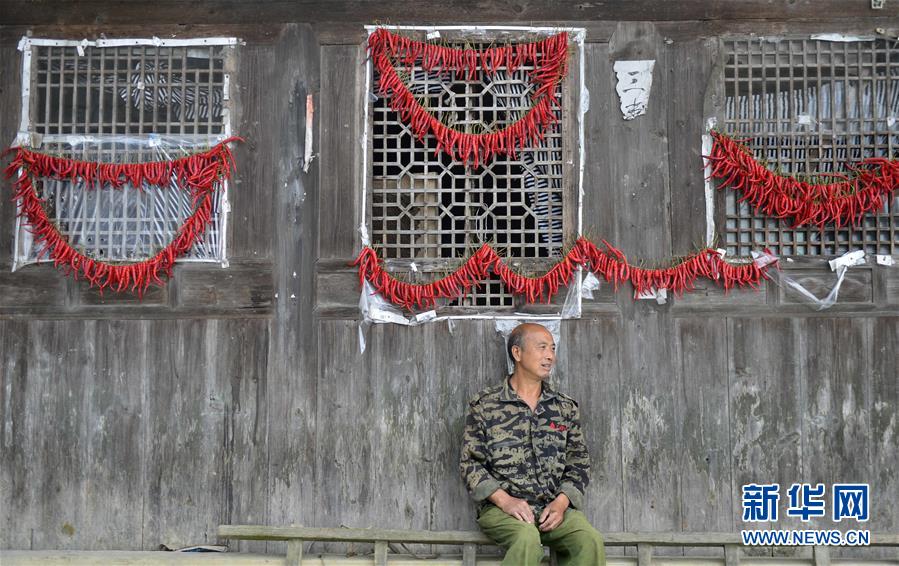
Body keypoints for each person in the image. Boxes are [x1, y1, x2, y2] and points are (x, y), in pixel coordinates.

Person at [460, 323, 605, 566]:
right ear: (517, 353)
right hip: (503, 511)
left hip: (553, 509)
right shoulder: (486, 406)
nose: (550, 356)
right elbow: (470, 464)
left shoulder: (564, 408)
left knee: (589, 539)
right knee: (526, 538)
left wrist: (561, 503)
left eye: (552, 348)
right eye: (542, 348)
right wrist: (505, 501)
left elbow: (578, 462)